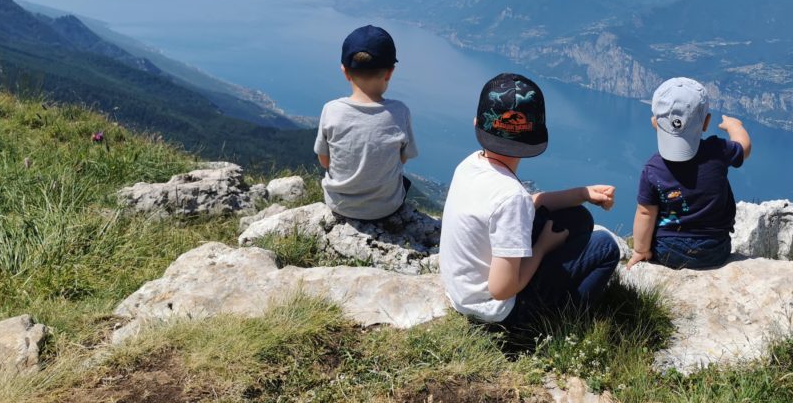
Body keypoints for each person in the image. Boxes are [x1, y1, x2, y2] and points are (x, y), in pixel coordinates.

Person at [438, 72, 622, 334]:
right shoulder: (510, 197)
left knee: (578, 217)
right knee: (605, 247)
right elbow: (502, 288)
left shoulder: (470, 165)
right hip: (499, 313)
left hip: (463, 293)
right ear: (535, 134)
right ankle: (562, 324)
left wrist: (583, 193)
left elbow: (529, 203)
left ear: (477, 123)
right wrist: (542, 248)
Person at [626, 77, 752, 271]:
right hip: (716, 249)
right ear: (706, 122)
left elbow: (645, 212)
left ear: (655, 122)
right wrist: (735, 126)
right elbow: (744, 148)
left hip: (667, 251)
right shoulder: (718, 150)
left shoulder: (653, 168)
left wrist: (641, 250)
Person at [313, 24, 418, 220]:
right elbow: (403, 157)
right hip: (387, 207)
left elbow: (324, 160)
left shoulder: (331, 110)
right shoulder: (400, 112)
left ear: (345, 72)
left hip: (339, 204)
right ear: (390, 72)